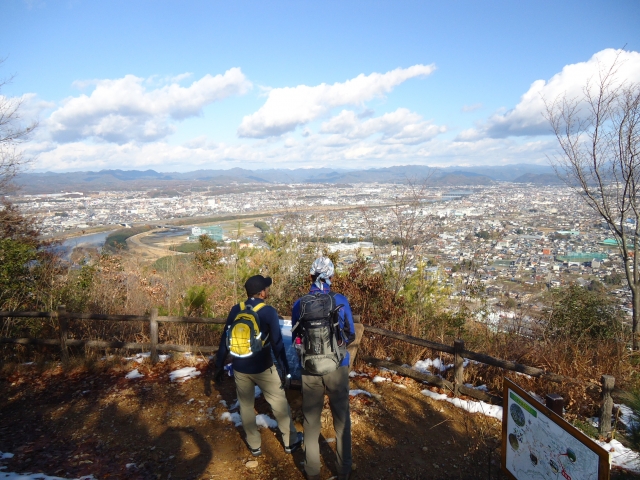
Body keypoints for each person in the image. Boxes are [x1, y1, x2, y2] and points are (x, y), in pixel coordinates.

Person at [214, 274, 302, 457]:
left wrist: (218, 366)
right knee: (279, 403)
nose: (267, 290)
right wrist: (284, 367)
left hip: (240, 367)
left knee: (246, 406)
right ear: (262, 292)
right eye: (266, 288)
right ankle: (290, 441)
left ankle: (254, 445)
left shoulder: (235, 309)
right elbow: (277, 343)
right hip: (263, 367)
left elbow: (224, 341)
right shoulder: (268, 311)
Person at [292, 257, 355, 480]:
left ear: (310, 276)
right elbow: (351, 333)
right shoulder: (339, 300)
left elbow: (296, 337)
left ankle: (312, 471)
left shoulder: (300, 303)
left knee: (310, 421)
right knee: (342, 419)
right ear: (332, 276)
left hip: (310, 368)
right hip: (337, 367)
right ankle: (344, 469)